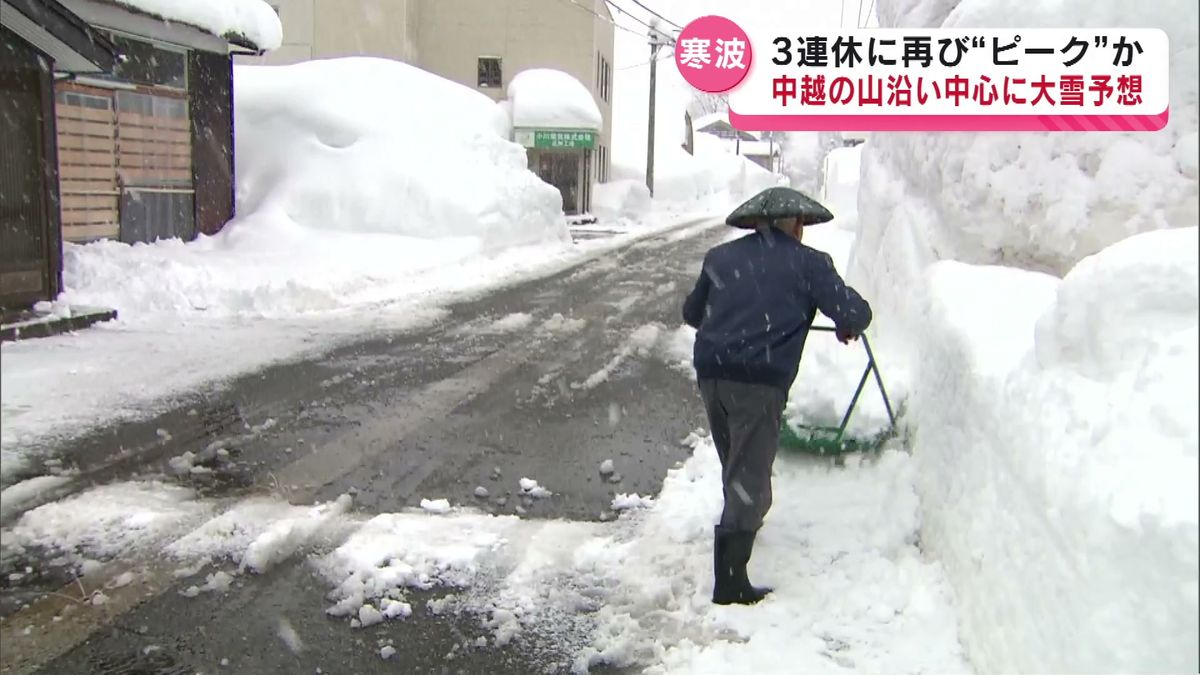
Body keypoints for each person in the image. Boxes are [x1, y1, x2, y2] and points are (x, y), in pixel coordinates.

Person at [682, 215, 872, 605]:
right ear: (798, 226)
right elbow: (854, 314)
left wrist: (736, 311)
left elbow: (691, 313)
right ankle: (731, 583)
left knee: (735, 458)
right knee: (750, 477)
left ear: (759, 224)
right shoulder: (809, 263)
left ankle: (740, 523)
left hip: (711, 372)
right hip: (758, 380)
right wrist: (843, 324)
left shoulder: (720, 256)